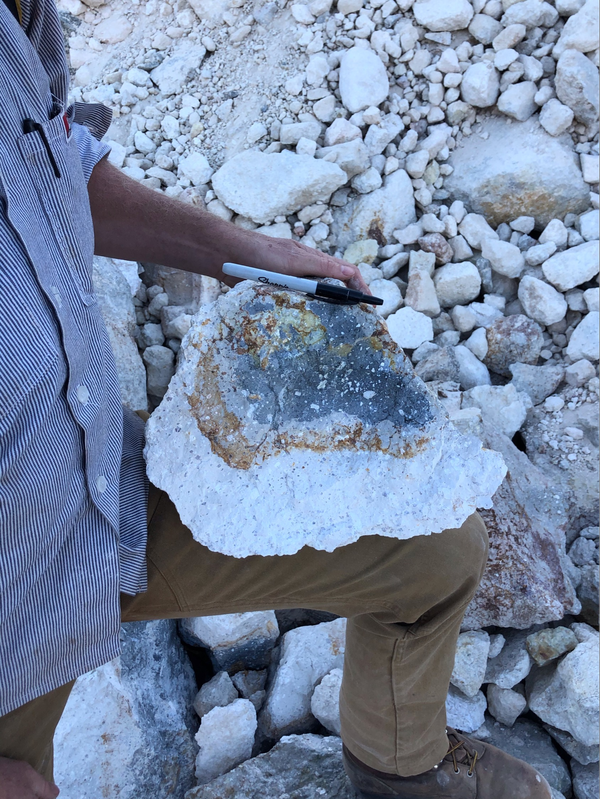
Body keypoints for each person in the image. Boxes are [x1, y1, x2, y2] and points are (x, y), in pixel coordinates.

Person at [0, 1, 553, 797]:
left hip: (94, 495)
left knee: (435, 554)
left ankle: (402, 768)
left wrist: (246, 254)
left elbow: (53, 162)